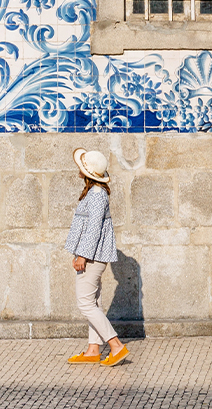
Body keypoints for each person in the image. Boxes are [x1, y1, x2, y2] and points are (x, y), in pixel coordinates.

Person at [63, 148, 127, 366]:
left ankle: (116, 345)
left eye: (81, 168)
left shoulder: (98, 194)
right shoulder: (94, 192)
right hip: (92, 255)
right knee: (94, 302)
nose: (78, 170)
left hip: (92, 256)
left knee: (85, 303)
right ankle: (93, 349)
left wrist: (82, 255)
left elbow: (93, 230)